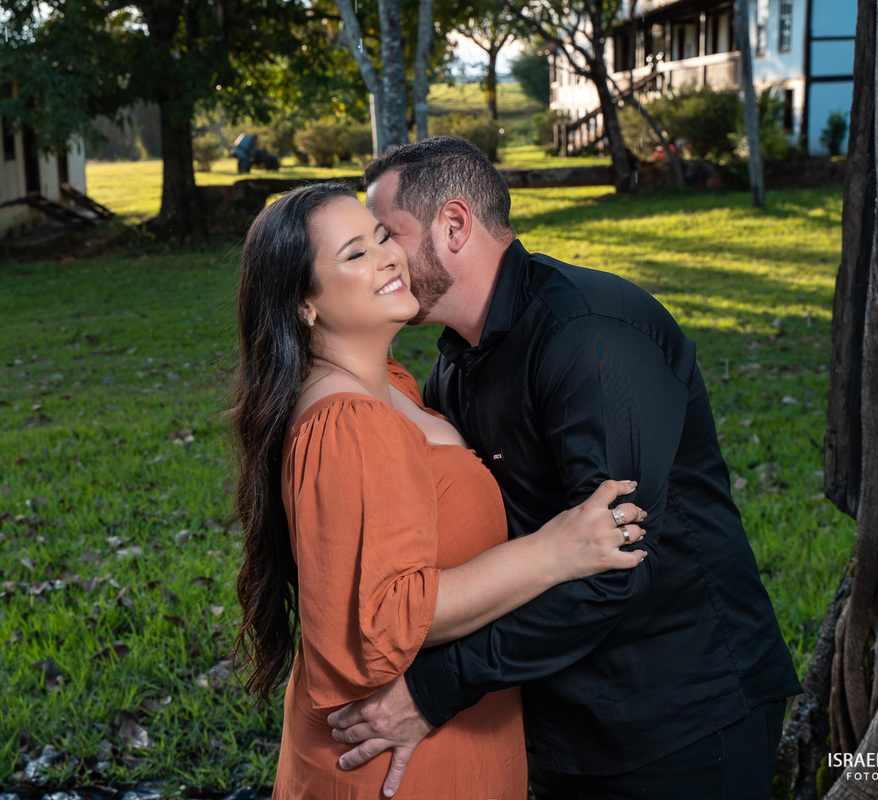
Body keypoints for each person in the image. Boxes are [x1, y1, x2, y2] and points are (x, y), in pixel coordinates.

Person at [327, 137, 803, 800]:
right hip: (559, 722)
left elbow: (615, 567)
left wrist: (435, 689)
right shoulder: (453, 366)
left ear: (454, 225)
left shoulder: (589, 336)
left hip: (680, 717)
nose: (380, 259)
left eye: (388, 236)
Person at [230, 182, 650, 799]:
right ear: (303, 305)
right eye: (354, 254)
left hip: (453, 737)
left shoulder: (389, 384)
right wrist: (552, 551)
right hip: (399, 764)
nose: (388, 256)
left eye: (380, 236)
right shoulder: (349, 423)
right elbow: (381, 618)